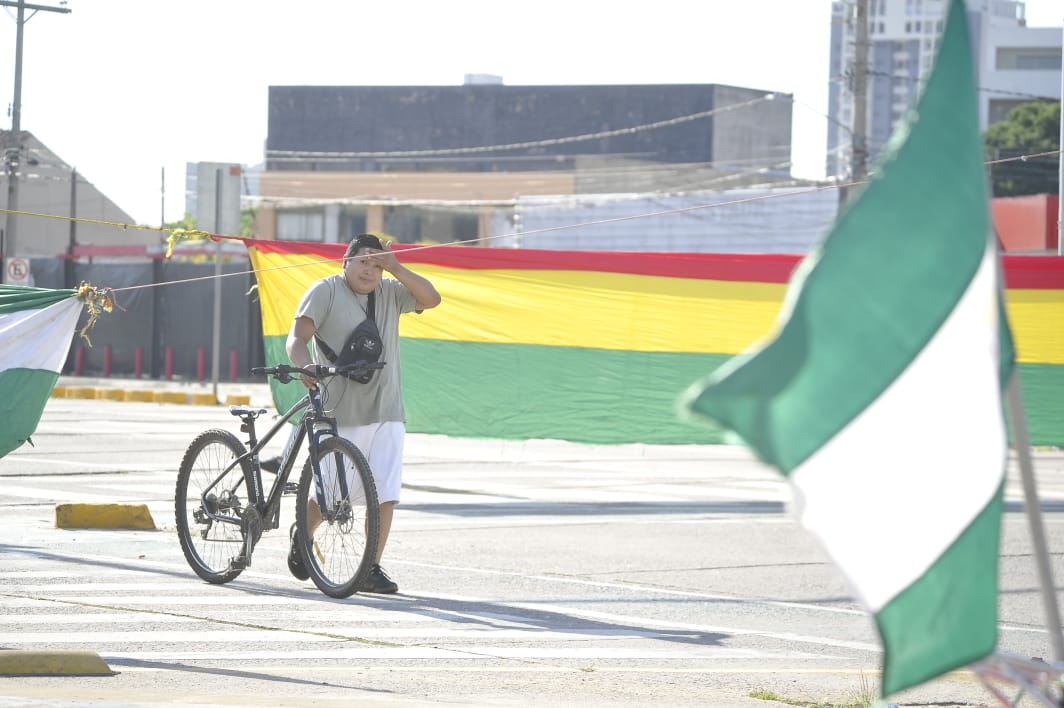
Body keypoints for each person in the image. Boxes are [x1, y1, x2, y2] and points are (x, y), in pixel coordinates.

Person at [284, 233, 441, 593]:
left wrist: (396, 266)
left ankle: (371, 566)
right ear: (346, 261)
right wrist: (305, 366)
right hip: (340, 409)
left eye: (376, 263)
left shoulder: (389, 290)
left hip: (387, 407)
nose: (369, 270)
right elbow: (296, 338)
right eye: (363, 261)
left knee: (385, 492)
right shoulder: (326, 290)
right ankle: (302, 534)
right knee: (331, 496)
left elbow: (431, 299)